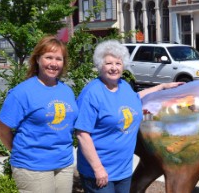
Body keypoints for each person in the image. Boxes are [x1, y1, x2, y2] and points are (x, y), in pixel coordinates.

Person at [75, 40, 183, 193]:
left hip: (123, 171)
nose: (114, 68)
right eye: (109, 63)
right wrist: (98, 168)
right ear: (100, 65)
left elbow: (135, 98)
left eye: (118, 64)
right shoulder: (92, 93)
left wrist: (161, 87)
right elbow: (82, 134)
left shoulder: (124, 86)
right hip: (99, 172)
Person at [0, 36, 78, 192]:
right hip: (33, 166)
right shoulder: (22, 92)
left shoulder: (66, 90)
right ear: (38, 59)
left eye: (58, 59)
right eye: (48, 57)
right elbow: (2, 130)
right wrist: (22, 153)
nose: (53, 64)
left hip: (64, 164)